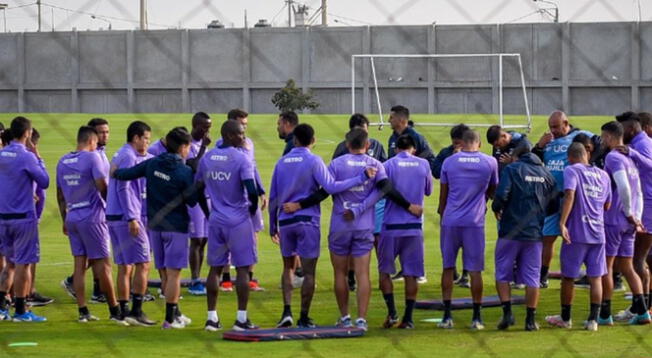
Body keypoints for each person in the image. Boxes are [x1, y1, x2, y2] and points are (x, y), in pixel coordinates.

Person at [270, 124, 374, 329]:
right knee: (308, 272)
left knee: (288, 267)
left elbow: (273, 197)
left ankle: (286, 312)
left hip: (286, 219)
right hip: (308, 220)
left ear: (295, 140)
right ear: (313, 140)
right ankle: (303, 316)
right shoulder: (314, 161)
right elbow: (331, 187)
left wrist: (273, 225)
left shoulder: (281, 163)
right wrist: (360, 177)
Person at [113, 127, 200, 329]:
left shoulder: (151, 163)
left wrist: (115, 171)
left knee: (164, 273)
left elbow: (126, 175)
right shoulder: (184, 171)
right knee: (174, 275)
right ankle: (170, 319)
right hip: (176, 227)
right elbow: (193, 201)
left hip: (155, 227)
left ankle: (176, 313)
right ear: (183, 147)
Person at [196, 120, 260, 331]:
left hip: (216, 219)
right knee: (242, 269)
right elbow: (252, 191)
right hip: (239, 220)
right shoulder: (241, 159)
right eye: (241, 134)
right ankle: (241, 319)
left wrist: (209, 213)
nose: (244, 138)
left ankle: (211, 318)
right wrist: (249, 213)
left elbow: (197, 189)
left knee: (214, 269)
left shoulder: (207, 159)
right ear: (230, 135)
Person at [56, 125, 124, 324]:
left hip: (73, 216)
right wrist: (111, 208)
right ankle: (115, 310)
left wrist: (64, 219)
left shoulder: (62, 161)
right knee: (104, 266)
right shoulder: (93, 157)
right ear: (92, 141)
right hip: (93, 216)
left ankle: (83, 311)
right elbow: (102, 186)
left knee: (79, 264)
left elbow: (59, 194)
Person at [545, 143, 611, 331]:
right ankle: (593, 320)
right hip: (598, 232)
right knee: (596, 277)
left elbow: (569, 195)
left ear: (570, 157)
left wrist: (562, 222)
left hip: (577, 232)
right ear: (586, 154)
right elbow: (607, 205)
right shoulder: (603, 175)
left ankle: (565, 318)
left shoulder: (572, 170)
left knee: (568, 277)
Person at [437, 130, 498, 330]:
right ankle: (477, 317)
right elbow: (492, 189)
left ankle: (447, 316)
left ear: (462, 144)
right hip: (474, 222)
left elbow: (443, 196)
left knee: (447, 267)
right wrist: (483, 200)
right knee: (475, 270)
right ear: (479, 144)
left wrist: (442, 215)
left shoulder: (450, 161)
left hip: (451, 220)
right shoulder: (490, 162)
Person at [492, 145, 557, 331]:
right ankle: (530, 320)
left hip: (510, 230)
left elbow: (501, 194)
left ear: (517, 157)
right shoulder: (547, 174)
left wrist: (497, 209)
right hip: (535, 234)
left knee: (503, 273)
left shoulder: (513, 169)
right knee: (532, 277)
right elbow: (554, 205)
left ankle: (507, 314)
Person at [532, 111, 596, 288]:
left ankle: (592, 274)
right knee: (547, 237)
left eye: (555, 126)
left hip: (575, 197)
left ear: (566, 123)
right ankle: (542, 275)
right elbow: (533, 161)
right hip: (552, 197)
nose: (553, 130)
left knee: (579, 236)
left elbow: (601, 144)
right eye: (550, 127)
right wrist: (539, 145)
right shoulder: (548, 141)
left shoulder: (581, 136)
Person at [377, 135, 432, 329]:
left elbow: (385, 189)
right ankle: (408, 318)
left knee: (384, 272)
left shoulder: (388, 165)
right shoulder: (424, 164)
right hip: (413, 228)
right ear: (414, 149)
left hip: (391, 226)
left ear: (396, 148)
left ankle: (392, 313)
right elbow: (428, 191)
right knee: (411, 274)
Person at [598, 121, 650, 325]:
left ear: (610, 137)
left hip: (614, 220)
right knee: (627, 266)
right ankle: (643, 312)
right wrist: (636, 217)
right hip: (631, 221)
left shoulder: (613, 157)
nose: (602, 141)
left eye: (603, 138)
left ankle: (605, 315)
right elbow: (638, 191)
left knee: (607, 266)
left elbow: (623, 187)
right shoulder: (630, 157)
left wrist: (628, 213)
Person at [0, 116, 49, 322]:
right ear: (28, 133)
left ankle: (2, 307)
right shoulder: (27, 156)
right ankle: (20, 310)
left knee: (9, 264)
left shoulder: (1, 153)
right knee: (24, 264)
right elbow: (44, 181)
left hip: (3, 217)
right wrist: (38, 156)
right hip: (23, 218)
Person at [105, 121, 155, 326]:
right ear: (135, 138)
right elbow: (124, 189)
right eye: (145, 139)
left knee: (125, 266)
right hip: (127, 218)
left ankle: (123, 311)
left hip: (115, 216)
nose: (147, 143)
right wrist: (132, 217)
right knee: (143, 264)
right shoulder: (128, 156)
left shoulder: (121, 154)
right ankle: (136, 310)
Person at [332, 113, 387, 292]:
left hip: (372, 206)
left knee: (376, 240)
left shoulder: (377, 146)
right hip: (347, 207)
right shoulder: (341, 150)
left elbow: (383, 180)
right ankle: (351, 275)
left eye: (365, 131)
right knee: (350, 248)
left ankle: (382, 275)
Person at [217, 109, 267, 293]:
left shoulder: (249, 144)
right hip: (232, 198)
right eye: (241, 125)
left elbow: (252, 167)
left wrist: (261, 190)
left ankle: (250, 279)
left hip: (250, 195)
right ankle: (226, 279)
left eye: (245, 125)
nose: (244, 129)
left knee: (254, 234)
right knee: (227, 238)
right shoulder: (219, 147)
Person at [61, 118, 111, 303]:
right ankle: (102, 295)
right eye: (100, 132)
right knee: (101, 256)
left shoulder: (101, 154)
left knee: (93, 255)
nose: (104, 135)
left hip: (86, 212)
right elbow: (102, 185)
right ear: (91, 136)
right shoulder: (92, 157)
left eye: (107, 131)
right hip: (93, 212)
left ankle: (76, 283)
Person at [614, 111, 652, 319]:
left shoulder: (642, 145)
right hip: (644, 205)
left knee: (637, 259)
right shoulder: (641, 143)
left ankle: (641, 308)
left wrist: (633, 154)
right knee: (642, 259)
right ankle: (643, 305)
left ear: (630, 129)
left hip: (647, 208)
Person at [433, 124, 471, 288]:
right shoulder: (445, 153)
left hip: (468, 206)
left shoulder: (474, 155)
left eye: (459, 143)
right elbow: (435, 171)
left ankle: (466, 274)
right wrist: (452, 160)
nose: (456, 146)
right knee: (447, 241)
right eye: (454, 142)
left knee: (468, 242)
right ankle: (452, 270)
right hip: (449, 205)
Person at [187, 112, 212, 296]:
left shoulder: (205, 145)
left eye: (209, 127)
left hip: (207, 196)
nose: (206, 131)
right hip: (194, 198)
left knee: (204, 239)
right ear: (195, 125)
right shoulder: (187, 144)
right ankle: (195, 279)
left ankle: (199, 277)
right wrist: (203, 148)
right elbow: (193, 166)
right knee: (196, 239)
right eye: (204, 127)